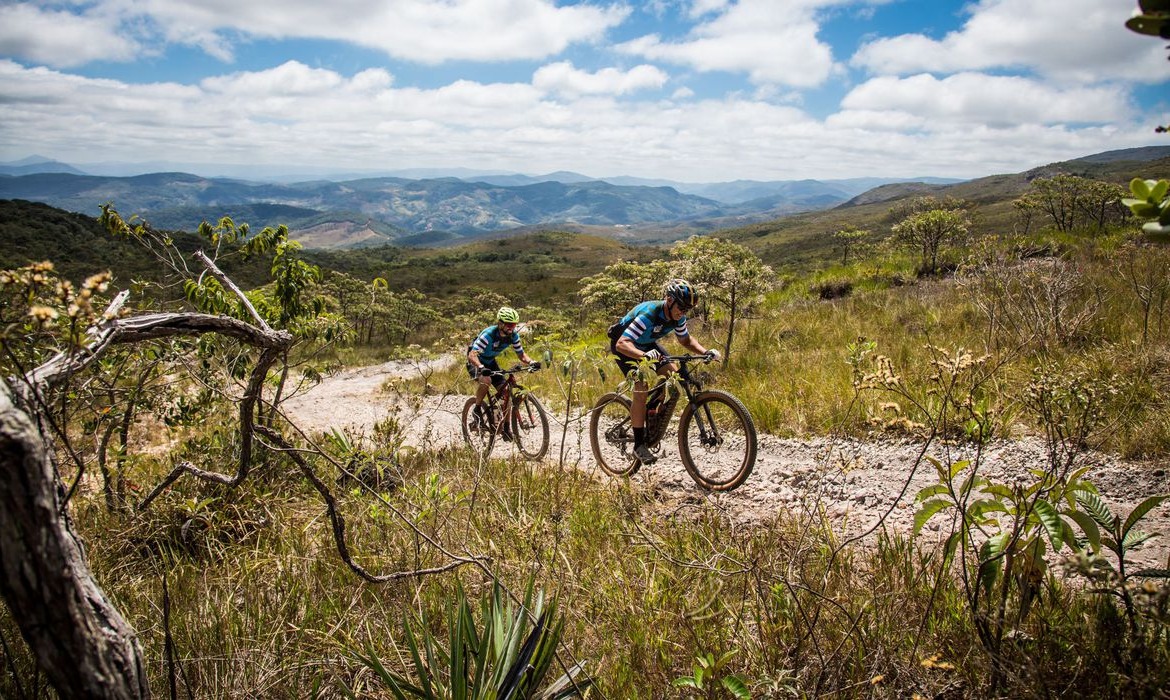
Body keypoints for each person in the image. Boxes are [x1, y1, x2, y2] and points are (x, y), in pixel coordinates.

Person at [610, 278, 721, 465]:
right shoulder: (649, 315)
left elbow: (685, 340)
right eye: (681, 307)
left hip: (646, 344)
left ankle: (651, 414)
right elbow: (622, 344)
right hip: (624, 346)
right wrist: (644, 357)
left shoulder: (678, 316)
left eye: (687, 309)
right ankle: (638, 445)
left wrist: (705, 352)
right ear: (669, 300)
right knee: (641, 386)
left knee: (674, 378)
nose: (683, 312)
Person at [467, 306, 538, 437]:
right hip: (476, 361)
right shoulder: (488, 336)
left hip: (490, 362)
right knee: (486, 380)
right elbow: (472, 355)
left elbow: (521, 355)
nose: (512, 328)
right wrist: (481, 367)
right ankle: (477, 409)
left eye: (514, 325)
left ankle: (505, 427)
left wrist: (531, 362)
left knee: (506, 392)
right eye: (509, 324)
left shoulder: (513, 336)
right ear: (500, 323)